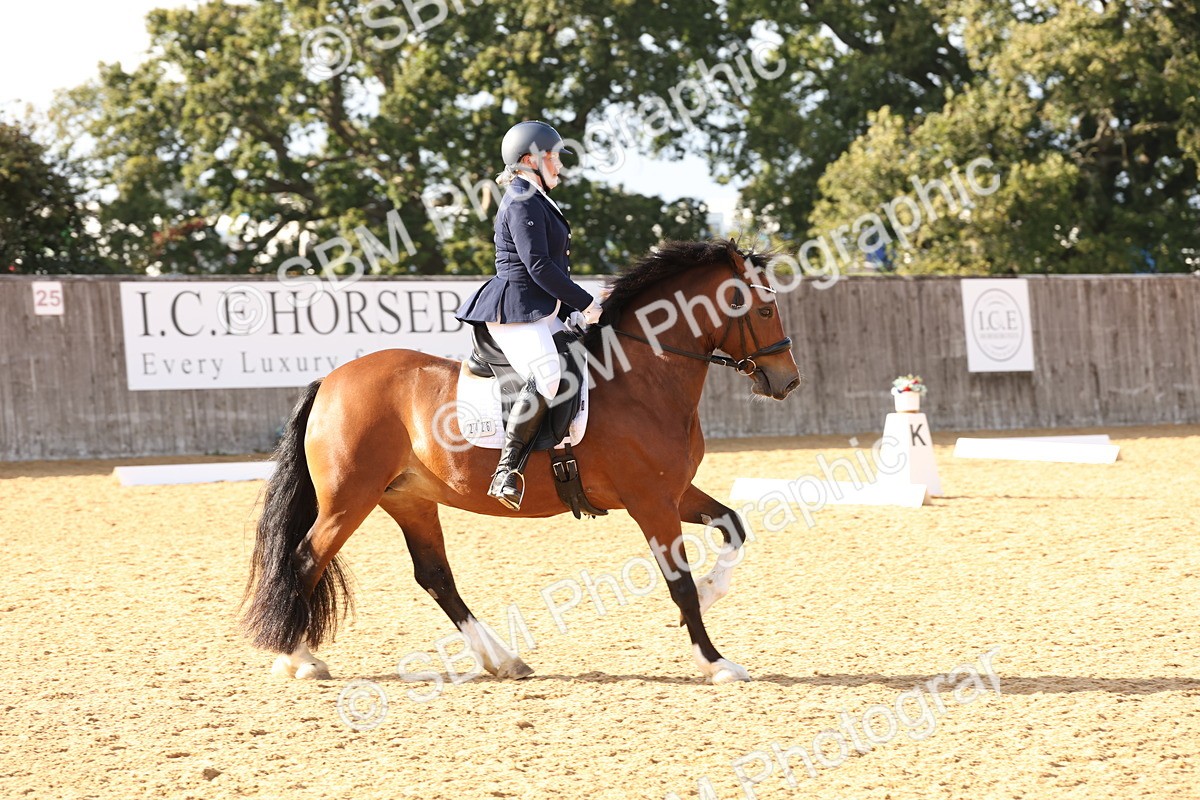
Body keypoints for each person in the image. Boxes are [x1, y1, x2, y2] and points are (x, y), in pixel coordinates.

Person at [455, 120, 603, 510]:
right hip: (516, 310)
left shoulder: (537, 198)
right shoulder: (521, 199)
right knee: (548, 374)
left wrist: (584, 307)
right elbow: (538, 266)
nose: (559, 166)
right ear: (529, 160)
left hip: (540, 307)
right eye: (553, 158)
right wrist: (585, 302)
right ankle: (507, 471)